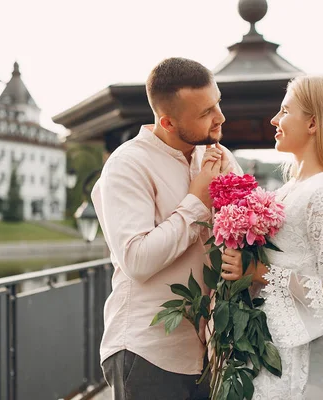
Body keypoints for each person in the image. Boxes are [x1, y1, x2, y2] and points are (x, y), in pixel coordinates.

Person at [92, 57, 242, 399]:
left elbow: (247, 233)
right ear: (168, 121)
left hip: (211, 352)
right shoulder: (126, 165)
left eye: (217, 102)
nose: (220, 117)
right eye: (205, 112)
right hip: (147, 352)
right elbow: (137, 260)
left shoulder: (220, 158)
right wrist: (197, 201)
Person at [220, 75, 323, 398]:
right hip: (262, 347)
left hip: (290, 360)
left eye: (285, 111)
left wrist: (260, 273)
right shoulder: (290, 190)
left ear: (313, 123)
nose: (274, 120)